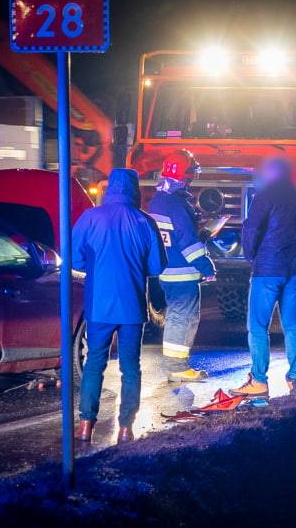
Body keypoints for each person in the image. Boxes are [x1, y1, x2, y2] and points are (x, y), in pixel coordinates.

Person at [72, 169, 167, 444]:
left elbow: (75, 259)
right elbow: (157, 267)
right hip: (132, 307)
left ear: (109, 189)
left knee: (94, 364)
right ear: (135, 190)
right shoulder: (144, 221)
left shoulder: (90, 218)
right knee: (130, 367)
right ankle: (126, 427)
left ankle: (86, 424)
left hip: (99, 305)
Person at [231, 157, 296, 398]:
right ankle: (295, 378)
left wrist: (251, 257)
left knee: (257, 326)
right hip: (292, 268)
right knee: (292, 325)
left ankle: (259, 380)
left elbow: (251, 229)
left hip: (267, 269)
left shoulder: (263, 196)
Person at [147, 150, 216, 381]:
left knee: (176, 316)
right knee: (183, 318)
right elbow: (188, 243)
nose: (193, 179)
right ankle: (177, 368)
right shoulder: (177, 204)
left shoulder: (158, 201)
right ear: (184, 176)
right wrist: (207, 267)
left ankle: (174, 366)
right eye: (191, 174)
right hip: (184, 273)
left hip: (167, 271)